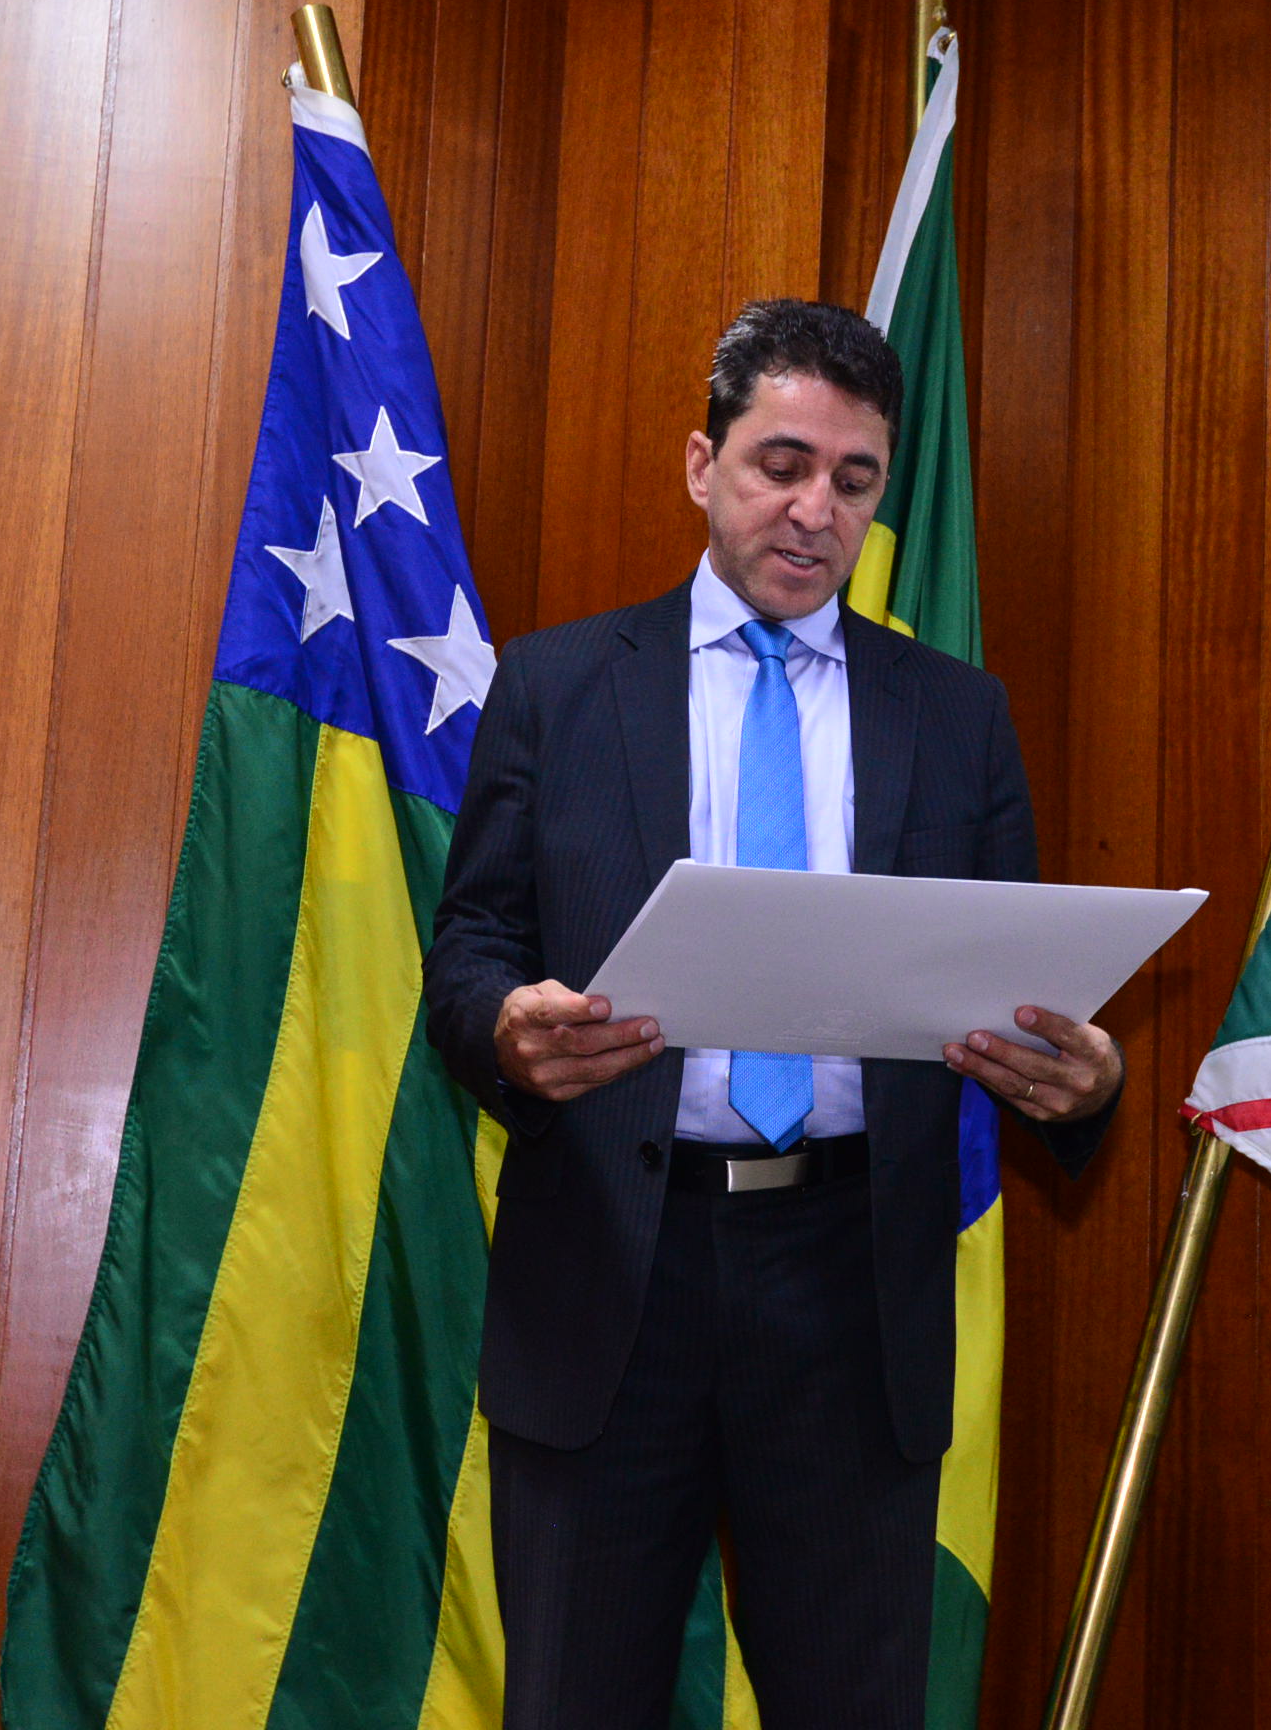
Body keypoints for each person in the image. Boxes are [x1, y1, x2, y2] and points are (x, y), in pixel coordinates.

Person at [424, 297, 1126, 1729]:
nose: (815, 511)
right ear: (704, 465)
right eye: (781, 465)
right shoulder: (557, 687)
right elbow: (472, 943)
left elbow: (1021, 983)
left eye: (853, 482)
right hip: (612, 1272)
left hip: (851, 1284)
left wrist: (1083, 1086)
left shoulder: (958, 715)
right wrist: (504, 1029)